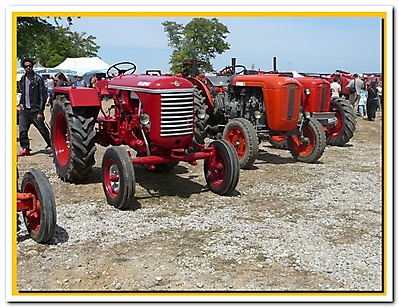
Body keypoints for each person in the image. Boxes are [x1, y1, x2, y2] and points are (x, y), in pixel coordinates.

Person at [17, 58, 52, 157]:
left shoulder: (38, 79)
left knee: (43, 130)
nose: (28, 68)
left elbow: (42, 96)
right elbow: (23, 93)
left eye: (30, 66)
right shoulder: (23, 79)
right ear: (24, 67)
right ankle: (25, 148)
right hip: (25, 110)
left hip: (35, 110)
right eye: (26, 66)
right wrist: (21, 103)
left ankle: (52, 146)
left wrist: (40, 111)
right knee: (22, 130)